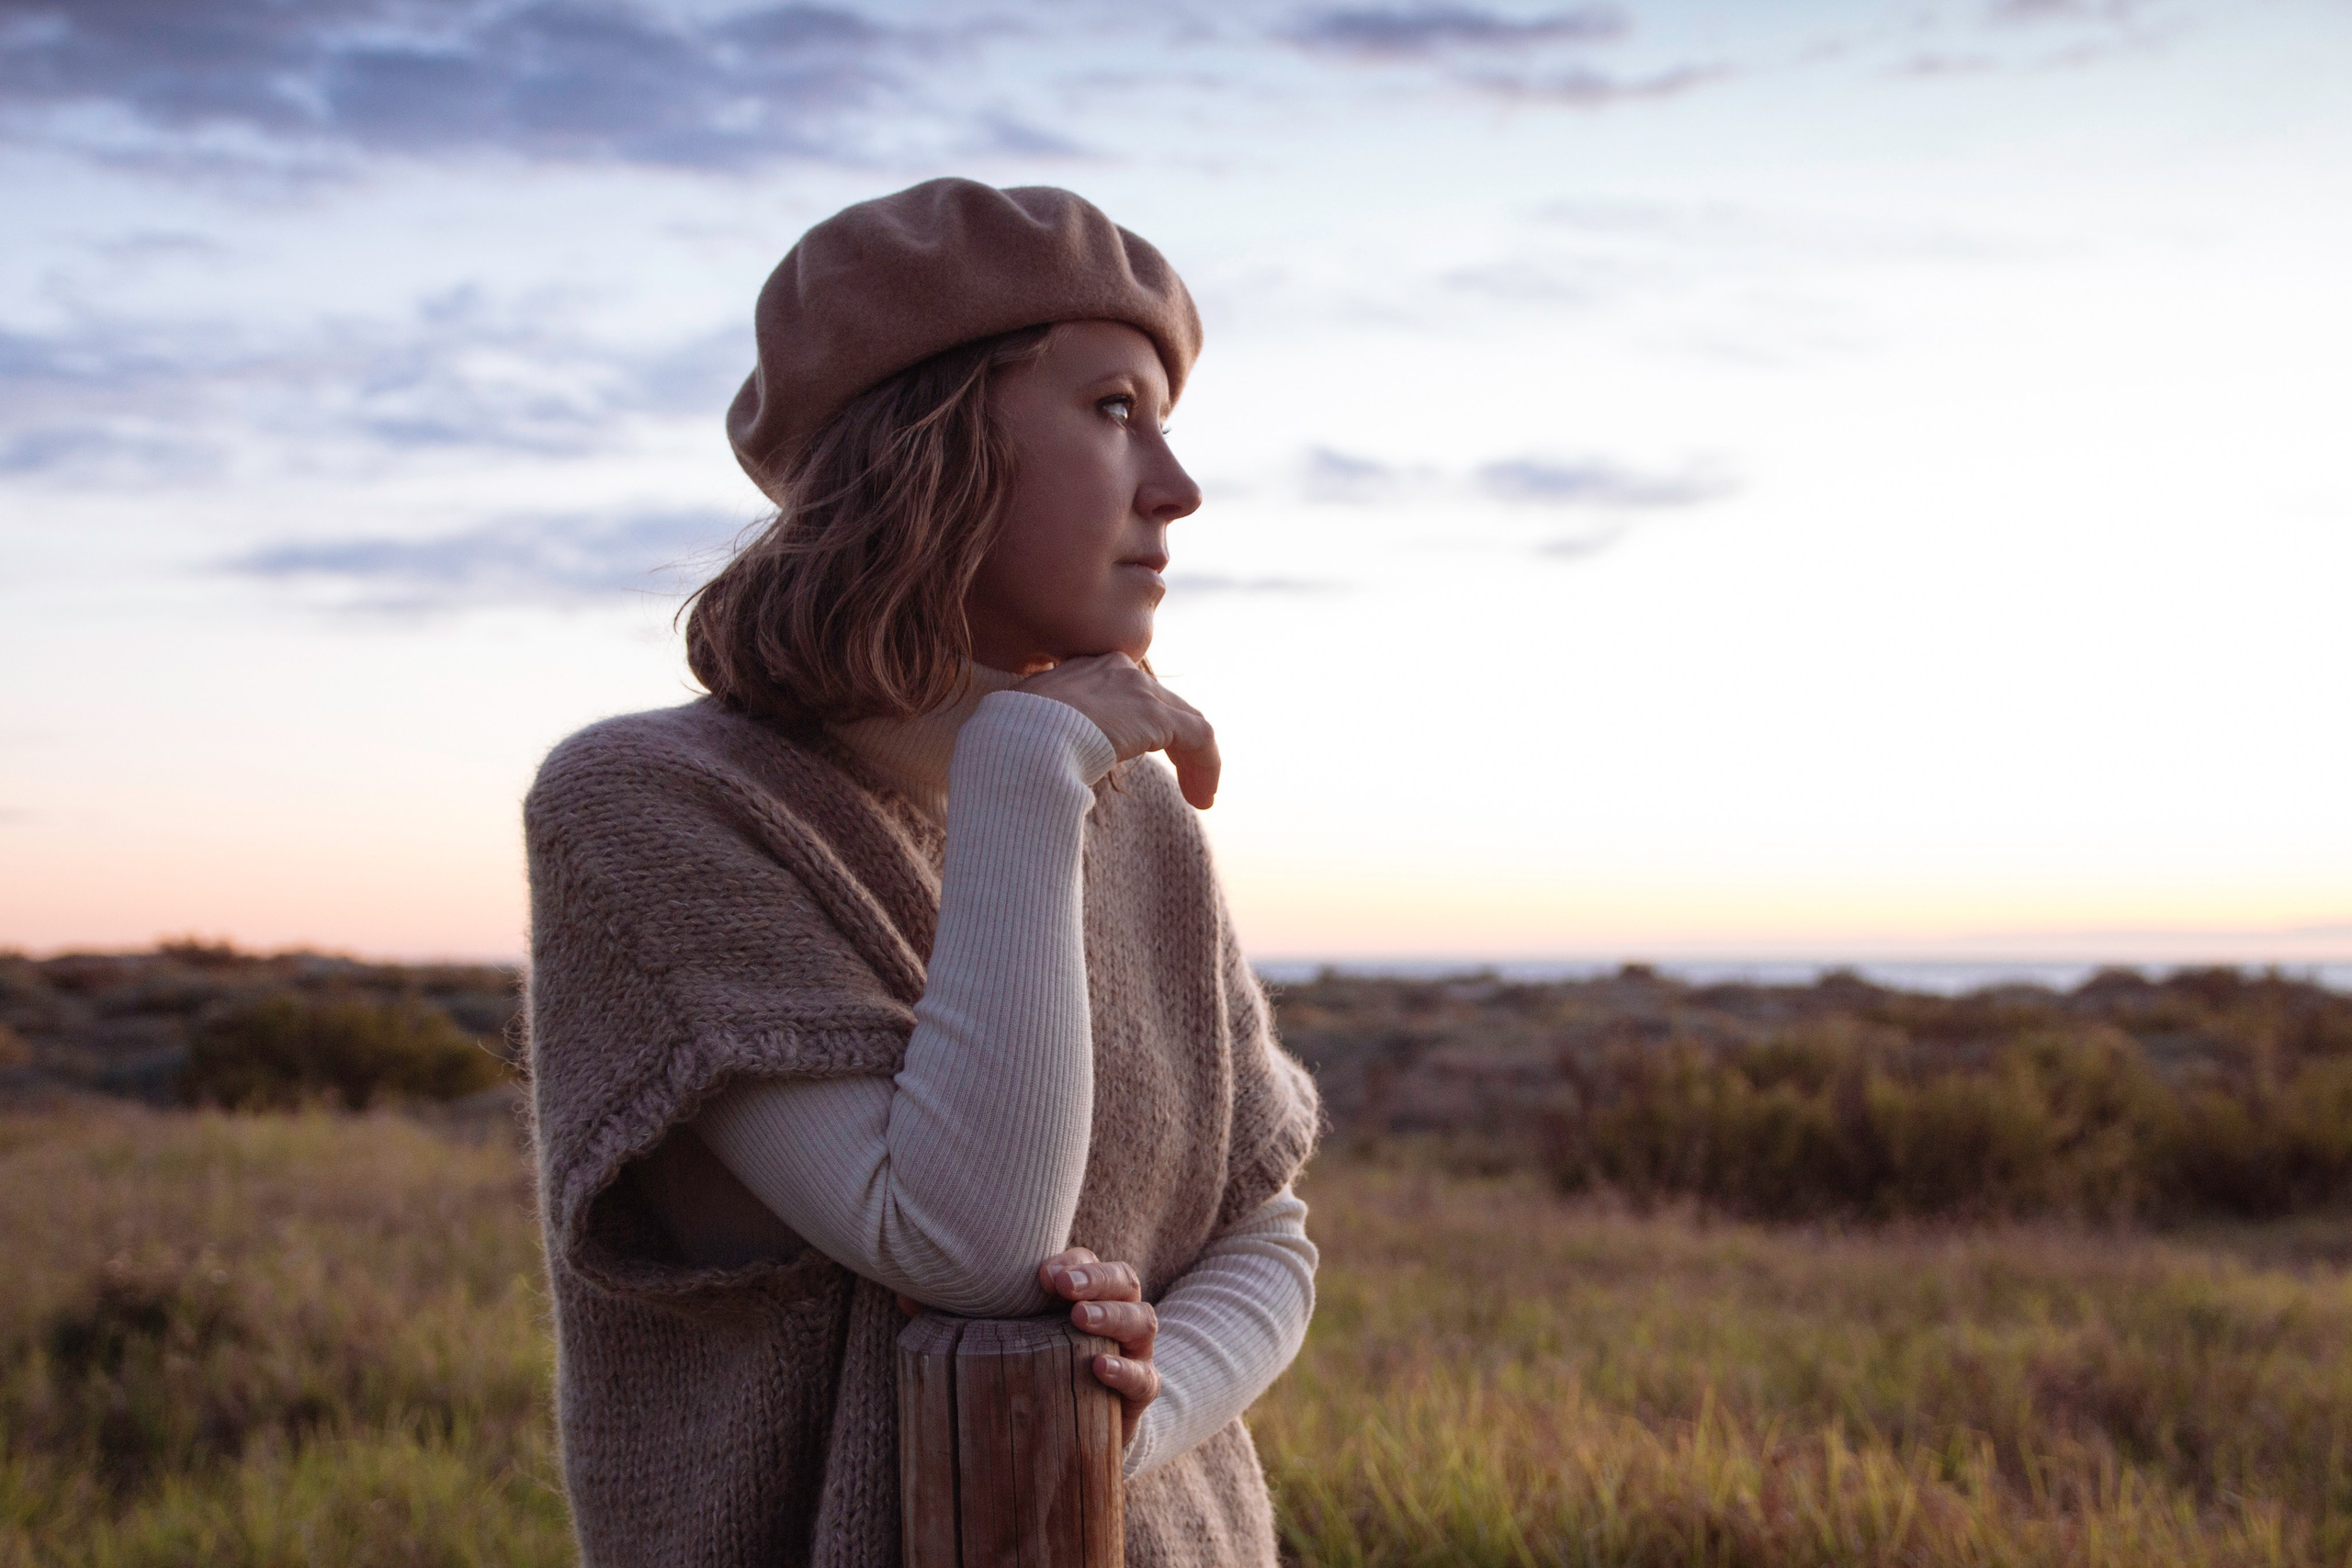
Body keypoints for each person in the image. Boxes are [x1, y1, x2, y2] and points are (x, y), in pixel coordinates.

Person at [523, 178, 1322, 1568]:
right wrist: (1026, 762)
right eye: (1115, 409)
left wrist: (1132, 1410)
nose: (1178, 491)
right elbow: (963, 1239)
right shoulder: (654, 807)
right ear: (928, 444)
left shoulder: (1136, 822)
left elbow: (1267, 1238)